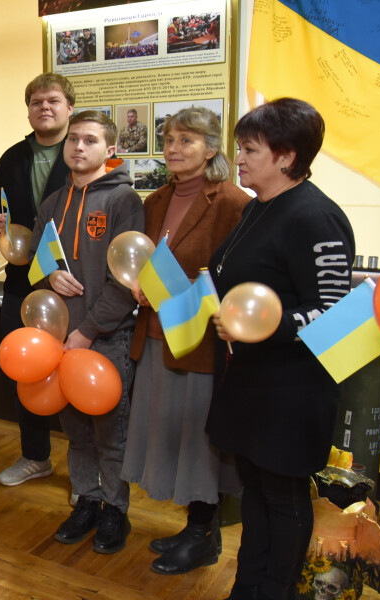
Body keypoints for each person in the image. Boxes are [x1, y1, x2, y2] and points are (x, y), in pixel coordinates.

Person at [208, 98, 354, 600]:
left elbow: (334, 313)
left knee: (283, 497)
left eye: (249, 149)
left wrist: (258, 328)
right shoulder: (256, 207)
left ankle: (275, 591)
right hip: (250, 382)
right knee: (256, 493)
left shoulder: (315, 216)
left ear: (287, 156)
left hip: (292, 389)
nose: (239, 159)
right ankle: (248, 586)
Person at [119, 107, 249, 575]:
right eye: (170, 140)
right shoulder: (154, 201)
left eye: (187, 141)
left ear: (211, 149)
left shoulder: (233, 202)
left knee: (198, 441)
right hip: (154, 334)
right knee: (170, 434)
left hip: (198, 345)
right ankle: (193, 527)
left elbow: (234, 279)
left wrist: (185, 288)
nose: (174, 149)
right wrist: (140, 283)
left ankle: (204, 534)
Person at [32, 110, 142, 554]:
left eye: (91, 141)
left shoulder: (123, 201)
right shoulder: (53, 201)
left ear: (109, 150)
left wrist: (90, 329)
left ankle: (117, 511)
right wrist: (48, 277)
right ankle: (87, 501)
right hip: (60, 337)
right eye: (73, 139)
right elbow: (39, 262)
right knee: (76, 431)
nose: (79, 147)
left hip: (106, 337)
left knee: (110, 433)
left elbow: (128, 280)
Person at [0, 72, 76, 487]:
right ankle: (35, 455)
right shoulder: (13, 157)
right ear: (28, 110)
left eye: (53, 100)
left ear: (69, 108)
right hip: (22, 281)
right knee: (26, 368)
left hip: (72, 282)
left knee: (75, 370)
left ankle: (85, 472)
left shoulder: (83, 150)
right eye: (37, 101)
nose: (45, 107)